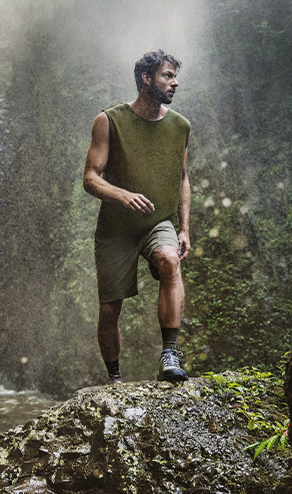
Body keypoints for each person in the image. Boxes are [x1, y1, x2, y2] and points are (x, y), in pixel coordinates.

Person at [82, 49, 192, 384]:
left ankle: (169, 355)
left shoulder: (180, 126)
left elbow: (183, 178)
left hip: (159, 222)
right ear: (146, 78)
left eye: (174, 76)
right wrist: (122, 194)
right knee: (109, 310)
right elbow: (90, 177)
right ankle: (114, 379)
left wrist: (184, 228)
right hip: (116, 230)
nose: (174, 83)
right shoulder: (109, 120)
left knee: (170, 260)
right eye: (167, 75)